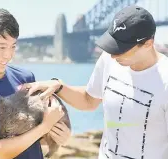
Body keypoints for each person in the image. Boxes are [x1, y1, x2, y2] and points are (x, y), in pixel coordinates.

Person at [24, 5, 168, 159]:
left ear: (148, 44)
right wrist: (59, 86)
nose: (113, 55)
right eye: (112, 45)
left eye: (122, 49)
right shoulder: (109, 59)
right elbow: (89, 100)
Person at [0, 8, 71, 159]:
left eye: (13, 46)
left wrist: (59, 135)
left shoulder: (25, 77)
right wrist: (45, 127)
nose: (8, 55)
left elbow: (33, 137)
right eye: (2, 47)